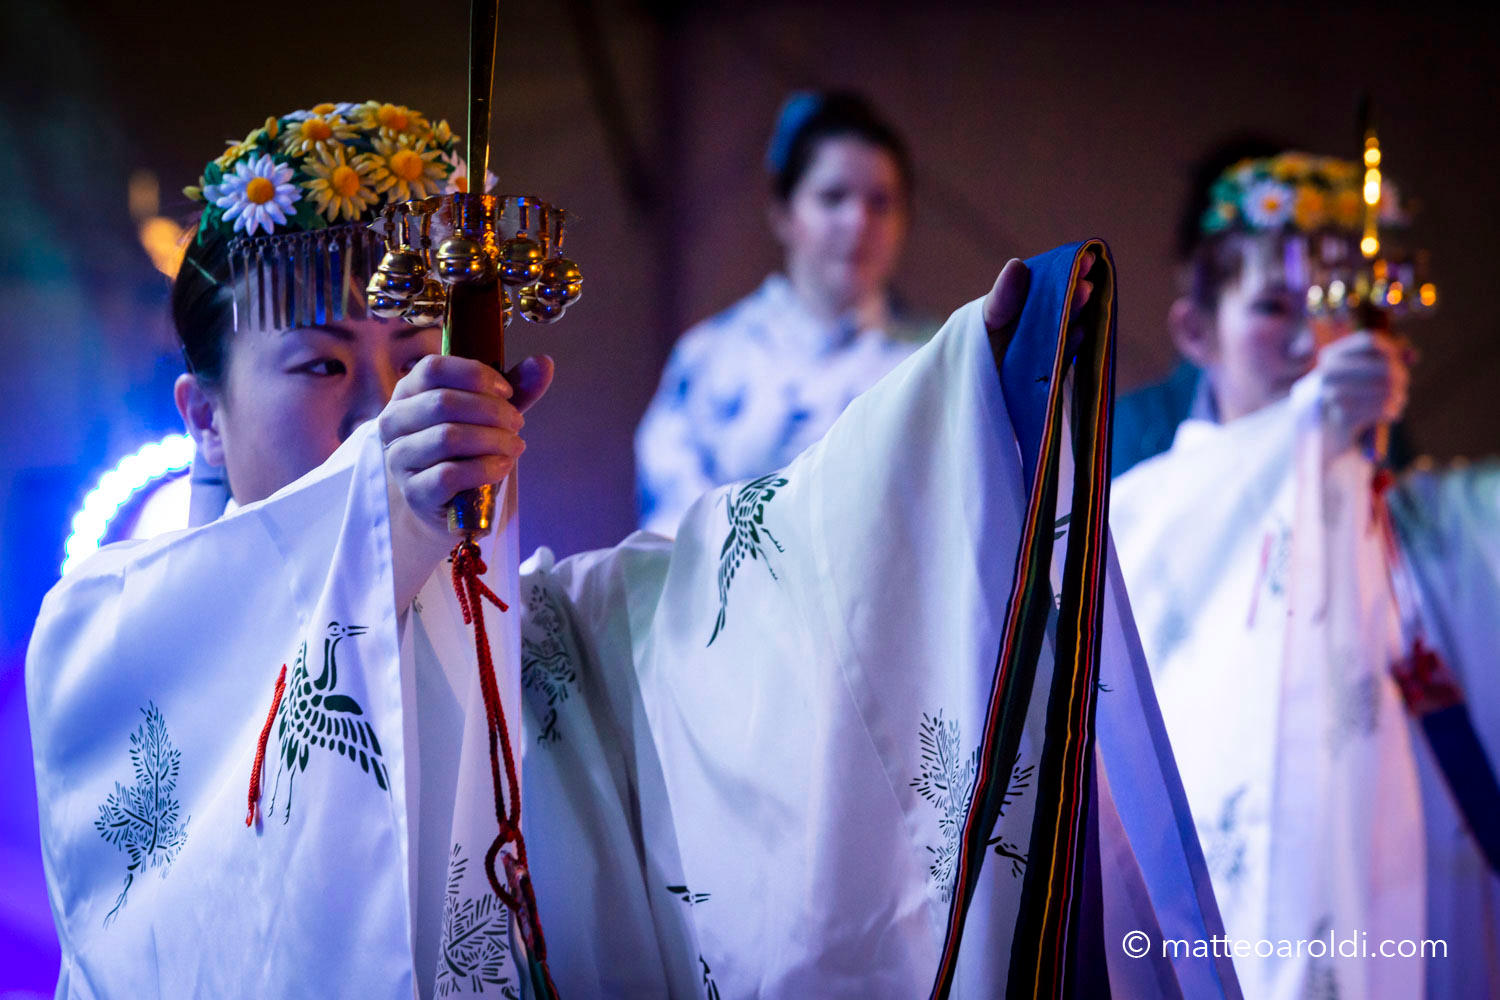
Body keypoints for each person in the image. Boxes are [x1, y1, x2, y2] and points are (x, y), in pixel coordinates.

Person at [30, 100, 1236, 999]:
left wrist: (950, 421)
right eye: (323, 366)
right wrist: (382, 519)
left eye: (415, 360)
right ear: (201, 411)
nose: (380, 410)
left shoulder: (537, 626)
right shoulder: (106, 629)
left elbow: (747, 576)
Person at [1110, 143, 1500, 998]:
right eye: (1274, 307)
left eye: (1332, 310)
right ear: (1194, 330)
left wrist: (1354, 453)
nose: (1308, 339)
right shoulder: (1142, 495)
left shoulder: (1400, 497)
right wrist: (1315, 430)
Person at [634, 91, 934, 535]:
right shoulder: (710, 355)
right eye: (833, 198)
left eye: (880, 202)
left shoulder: (933, 359)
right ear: (783, 213)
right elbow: (670, 526)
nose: (858, 222)